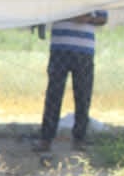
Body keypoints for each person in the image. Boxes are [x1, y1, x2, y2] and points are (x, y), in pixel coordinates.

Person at [33, 9, 109, 152]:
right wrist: (71, 15)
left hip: (84, 50)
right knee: (53, 95)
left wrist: (87, 18)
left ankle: (79, 139)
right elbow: (48, 10)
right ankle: (46, 139)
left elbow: (103, 18)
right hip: (59, 48)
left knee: (83, 95)